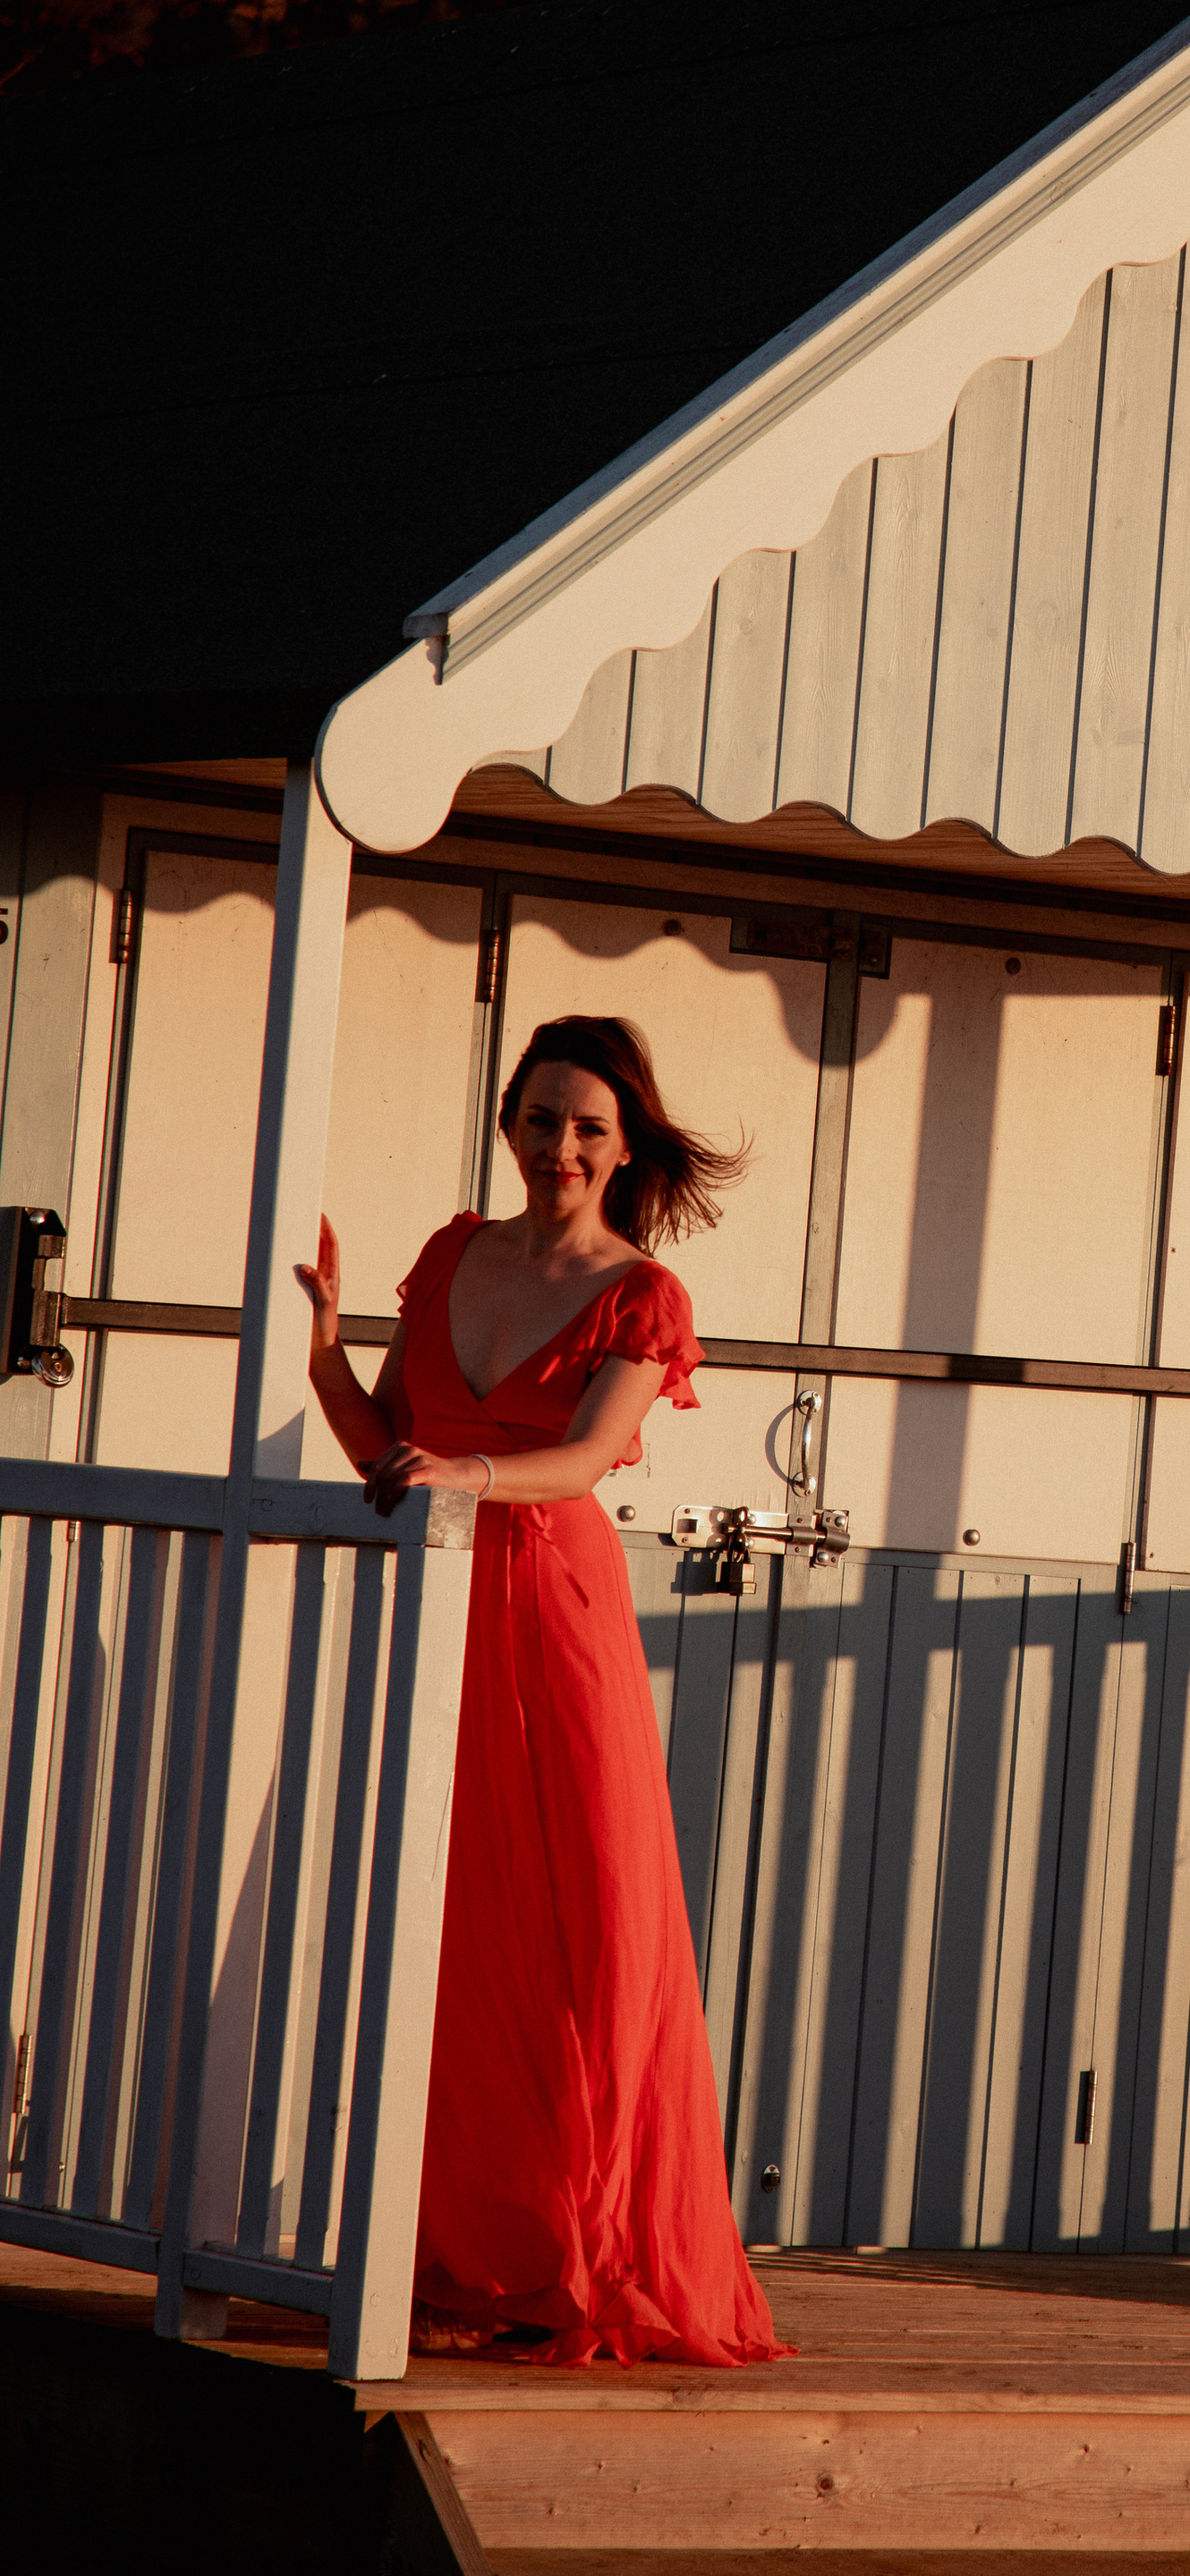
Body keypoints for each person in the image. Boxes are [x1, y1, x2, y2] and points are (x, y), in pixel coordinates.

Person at [297, 1012, 789, 2368]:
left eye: (587, 1125)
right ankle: (472, 2246)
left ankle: (591, 2252)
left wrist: (471, 1478)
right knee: (454, 1935)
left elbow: (580, 1461)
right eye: (539, 1116)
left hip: (554, 1619)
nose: (559, 1145)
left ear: (625, 1144)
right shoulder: (454, 1254)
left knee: (587, 1937)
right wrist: (331, 1349)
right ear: (507, 1121)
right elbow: (391, 1447)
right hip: (442, 1610)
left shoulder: (643, 1296)